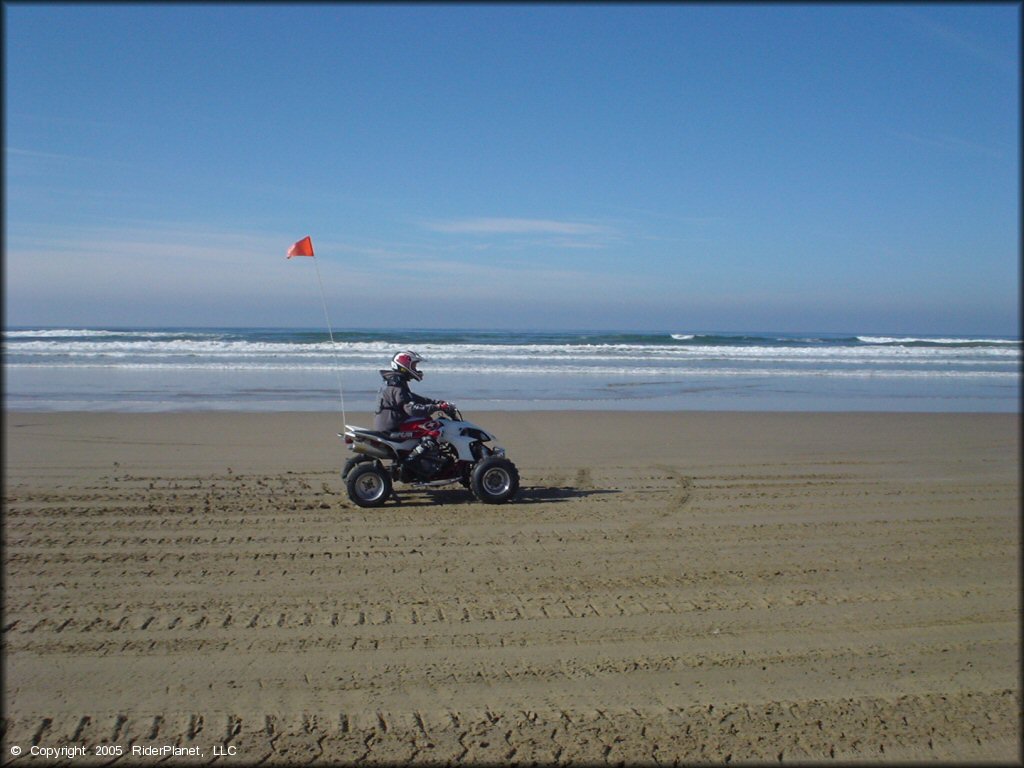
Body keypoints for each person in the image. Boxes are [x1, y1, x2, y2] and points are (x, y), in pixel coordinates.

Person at [373, 350, 453, 433]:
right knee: (432, 426)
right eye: (414, 366)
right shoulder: (396, 384)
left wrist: (435, 402)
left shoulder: (393, 381)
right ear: (405, 366)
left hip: (388, 422)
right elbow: (411, 410)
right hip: (391, 428)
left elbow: (411, 397)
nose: (416, 369)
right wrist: (437, 407)